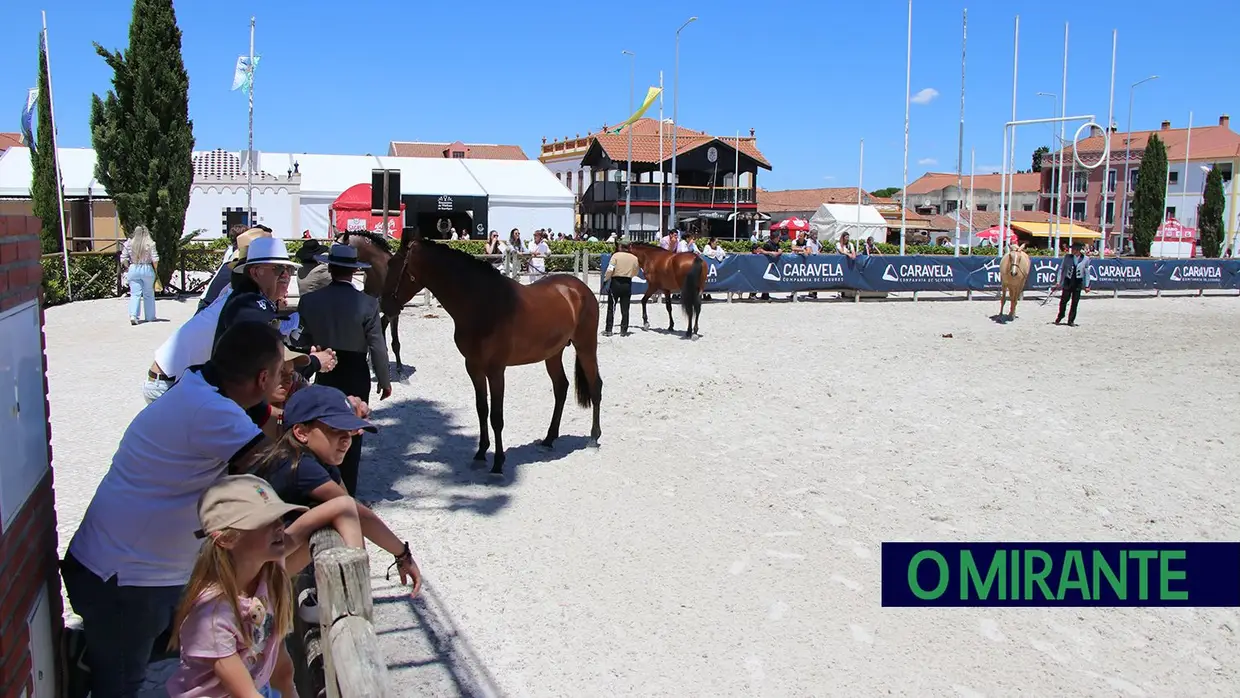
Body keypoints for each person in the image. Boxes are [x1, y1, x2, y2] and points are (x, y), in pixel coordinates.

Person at [62, 322, 285, 698]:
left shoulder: (198, 385)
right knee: (120, 686)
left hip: (126, 569)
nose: (284, 380)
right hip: (127, 578)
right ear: (263, 377)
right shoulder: (210, 411)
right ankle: (89, 658)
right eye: (281, 373)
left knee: (159, 650)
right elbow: (276, 468)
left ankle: (88, 652)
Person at [165, 474, 361, 698]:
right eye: (265, 521)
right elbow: (245, 694)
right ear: (227, 539)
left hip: (261, 688)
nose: (279, 525)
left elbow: (341, 506)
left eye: (279, 516)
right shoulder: (213, 617)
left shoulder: (268, 570)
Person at [252, 385, 422, 595]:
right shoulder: (300, 466)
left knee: (335, 514)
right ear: (301, 432)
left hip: (266, 567)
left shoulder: (314, 460)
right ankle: (355, 593)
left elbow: (350, 505)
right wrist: (402, 554)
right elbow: (358, 514)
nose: (346, 439)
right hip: (255, 578)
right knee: (340, 511)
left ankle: (345, 593)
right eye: (334, 429)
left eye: (349, 431)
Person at [297, 243, 393, 496]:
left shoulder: (309, 301)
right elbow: (377, 346)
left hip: (324, 366)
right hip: (356, 370)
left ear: (330, 267)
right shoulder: (368, 304)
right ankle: (347, 488)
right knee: (353, 430)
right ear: (354, 272)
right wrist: (385, 379)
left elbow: (302, 341)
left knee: (321, 426)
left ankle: (321, 483)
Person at [121, 225, 160, 325]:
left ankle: (134, 315)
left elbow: (123, 258)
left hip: (134, 267)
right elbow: (155, 259)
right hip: (147, 268)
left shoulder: (129, 243)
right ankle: (150, 317)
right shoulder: (150, 243)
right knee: (149, 294)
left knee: (135, 294)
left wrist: (128, 267)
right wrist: (156, 271)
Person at [603, 238, 640, 337]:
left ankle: (609, 329)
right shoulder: (634, 258)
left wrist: (606, 279)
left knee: (611, 307)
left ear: (620, 246)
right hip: (627, 283)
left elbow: (610, 269)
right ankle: (624, 330)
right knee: (625, 308)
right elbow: (636, 272)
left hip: (615, 282)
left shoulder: (615, 256)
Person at [1054, 241, 1091, 326]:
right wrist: (1058, 281)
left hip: (1078, 282)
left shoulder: (1085, 259)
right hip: (1068, 280)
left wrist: (1087, 285)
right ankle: (1061, 315)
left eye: (1075, 249)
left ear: (1078, 250)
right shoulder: (1067, 257)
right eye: (1073, 249)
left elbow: (1087, 273)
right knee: (1063, 300)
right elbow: (1061, 269)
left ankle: (1071, 320)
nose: (1073, 251)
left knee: (1075, 302)